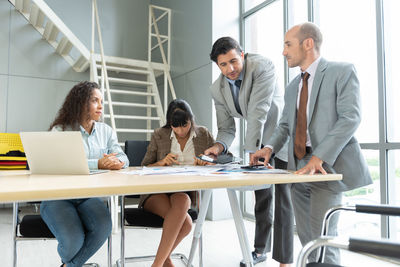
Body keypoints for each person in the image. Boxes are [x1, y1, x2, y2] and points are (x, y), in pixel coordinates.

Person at [251, 22, 372, 264]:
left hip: (327, 165)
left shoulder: (342, 71)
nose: (283, 51)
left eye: (288, 44)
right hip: (299, 167)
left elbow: (351, 118)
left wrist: (321, 156)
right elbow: (285, 125)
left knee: (324, 238)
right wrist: (269, 147)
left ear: (308, 43)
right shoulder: (293, 85)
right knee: (307, 239)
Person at [204, 37, 293, 267]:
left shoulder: (262, 66)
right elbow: (226, 128)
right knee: (262, 197)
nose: (230, 69)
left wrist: (253, 152)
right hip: (258, 138)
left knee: (283, 199)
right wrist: (218, 146)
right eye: (223, 65)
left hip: (280, 137)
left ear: (242, 55)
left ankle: (285, 259)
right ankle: (260, 250)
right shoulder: (217, 89)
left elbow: (258, 112)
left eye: (234, 61)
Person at [40, 81, 129, 267]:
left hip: (88, 197)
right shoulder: (60, 130)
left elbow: (122, 156)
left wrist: (118, 162)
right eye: (95, 100)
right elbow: (59, 164)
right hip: (58, 197)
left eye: (101, 101)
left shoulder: (106, 131)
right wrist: (98, 163)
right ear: (81, 103)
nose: (100, 106)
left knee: (104, 227)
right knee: (73, 242)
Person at [140, 99, 215, 267]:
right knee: (186, 224)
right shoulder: (160, 134)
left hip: (184, 192)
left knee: (184, 201)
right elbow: (143, 165)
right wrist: (161, 162)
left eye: (185, 125)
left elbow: (218, 157)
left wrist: (207, 161)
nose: (181, 131)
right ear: (169, 123)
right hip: (156, 192)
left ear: (191, 120)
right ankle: (161, 262)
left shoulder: (203, 134)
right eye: (175, 126)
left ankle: (158, 263)